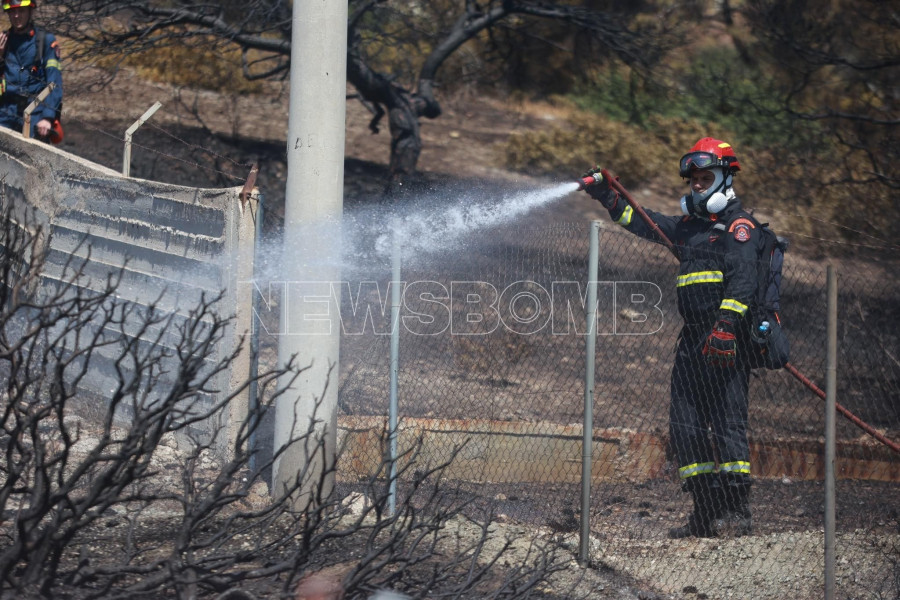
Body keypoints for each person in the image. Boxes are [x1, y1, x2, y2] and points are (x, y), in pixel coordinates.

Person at [584, 137, 762, 538]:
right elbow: (642, 221)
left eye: (706, 177)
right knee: (686, 425)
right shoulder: (688, 230)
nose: (697, 184)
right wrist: (605, 194)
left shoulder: (739, 227)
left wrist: (726, 327)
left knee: (727, 423)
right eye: (693, 179)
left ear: (725, 178)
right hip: (693, 342)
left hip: (726, 339)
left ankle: (736, 513)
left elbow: (744, 281)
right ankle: (705, 511)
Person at [0, 0, 62, 142]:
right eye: (12, 11)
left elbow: (55, 82)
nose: (16, 16)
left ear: (30, 11)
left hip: (35, 111)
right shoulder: (3, 40)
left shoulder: (45, 41)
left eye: (21, 11)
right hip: (6, 111)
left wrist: (47, 117)